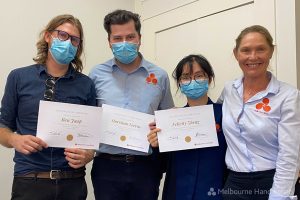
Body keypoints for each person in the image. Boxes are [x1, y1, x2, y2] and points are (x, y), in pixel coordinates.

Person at [0, 14, 96, 200]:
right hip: (29, 182)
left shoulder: (86, 85)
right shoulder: (18, 77)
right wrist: (14, 139)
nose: (68, 42)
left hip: (73, 183)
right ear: (47, 36)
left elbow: (92, 138)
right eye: (62, 35)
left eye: (74, 39)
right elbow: (2, 127)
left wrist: (89, 154)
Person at [89, 9, 174, 200]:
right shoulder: (96, 75)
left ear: (139, 38)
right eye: (117, 38)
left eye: (130, 36)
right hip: (106, 167)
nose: (124, 43)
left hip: (146, 167)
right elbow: (87, 120)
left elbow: (167, 122)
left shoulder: (159, 76)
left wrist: (162, 134)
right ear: (109, 41)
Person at [218, 25, 300, 200]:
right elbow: (211, 117)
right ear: (236, 54)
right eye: (246, 50)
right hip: (234, 183)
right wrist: (175, 120)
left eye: (260, 49)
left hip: (273, 181)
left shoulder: (288, 96)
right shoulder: (228, 90)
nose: (253, 57)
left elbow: (289, 154)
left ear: (271, 52)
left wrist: (279, 196)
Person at [147, 54, 227, 200]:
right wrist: (156, 145)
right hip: (177, 192)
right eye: (185, 77)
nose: (192, 82)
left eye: (199, 76)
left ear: (209, 79)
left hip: (214, 192)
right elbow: (162, 166)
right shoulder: (170, 119)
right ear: (179, 83)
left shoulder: (224, 114)